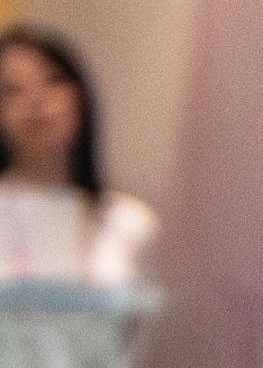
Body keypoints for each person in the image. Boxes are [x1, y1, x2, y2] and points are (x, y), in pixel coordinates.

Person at [0, 23, 156, 285]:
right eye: (13, 90)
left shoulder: (127, 221)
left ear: (80, 94)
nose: (36, 101)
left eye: (52, 80)